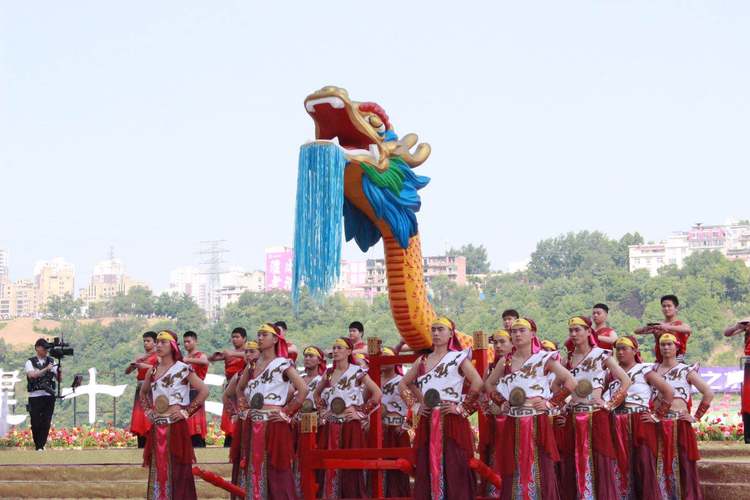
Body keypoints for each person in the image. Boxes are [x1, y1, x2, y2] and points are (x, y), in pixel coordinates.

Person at [486, 319, 576, 499]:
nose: (517, 334)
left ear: (533, 334)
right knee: (514, 467)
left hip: (537, 420)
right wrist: (501, 402)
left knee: (540, 466)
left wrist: (550, 403)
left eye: (522, 330)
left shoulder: (544, 358)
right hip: (513, 420)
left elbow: (571, 382)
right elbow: (489, 383)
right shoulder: (506, 360)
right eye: (514, 331)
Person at [398, 316, 483, 500]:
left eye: (440, 329)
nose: (436, 333)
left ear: (450, 333)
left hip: (451, 417)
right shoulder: (422, 361)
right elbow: (403, 384)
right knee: (426, 463)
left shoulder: (458, 357)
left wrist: (462, 408)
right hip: (428, 418)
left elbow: (477, 382)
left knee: (455, 464)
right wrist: (416, 406)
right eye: (433, 329)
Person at [556, 316, 631, 500]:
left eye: (578, 330)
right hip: (574, 417)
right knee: (575, 461)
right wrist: (564, 404)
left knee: (600, 461)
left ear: (589, 331)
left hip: (597, 416)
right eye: (571, 331)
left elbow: (625, 380)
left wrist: (610, 404)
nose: (574, 334)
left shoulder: (602, 354)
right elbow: (555, 387)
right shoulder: (568, 359)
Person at [236, 323, 308, 500]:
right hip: (254, 424)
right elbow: (239, 390)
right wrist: (244, 409)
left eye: (264, 335)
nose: (259, 338)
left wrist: (286, 413)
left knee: (278, 470)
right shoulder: (252, 365)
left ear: (275, 339)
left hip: (275, 423)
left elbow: (303, 390)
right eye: (258, 334)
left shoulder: (282, 364)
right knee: (254, 468)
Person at [139, 330, 208, 500]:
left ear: (172, 345)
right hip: (157, 425)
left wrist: (186, 411)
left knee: (178, 468)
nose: (159, 345)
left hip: (176, 425)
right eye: (158, 342)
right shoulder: (152, 371)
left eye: (163, 342)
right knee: (158, 469)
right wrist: (148, 411)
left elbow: (204, 391)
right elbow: (143, 393)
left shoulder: (183, 368)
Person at [313, 337, 382, 499]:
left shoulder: (357, 371)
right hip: (331, 424)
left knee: (351, 466)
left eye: (339, 348)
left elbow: (377, 393)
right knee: (328, 465)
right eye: (334, 348)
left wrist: (361, 413)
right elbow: (316, 393)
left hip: (351, 425)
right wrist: (323, 410)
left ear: (349, 351)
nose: (335, 351)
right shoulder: (329, 373)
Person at [605, 336, 673, 499]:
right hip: (616, 421)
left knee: (643, 464)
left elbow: (668, 392)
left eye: (624, 348)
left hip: (639, 421)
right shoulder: (611, 374)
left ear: (634, 351)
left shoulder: (644, 370)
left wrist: (657, 415)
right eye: (618, 349)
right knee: (620, 465)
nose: (620, 352)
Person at [653, 333, 713, 499]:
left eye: (669, 344)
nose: (665, 347)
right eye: (662, 344)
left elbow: (708, 392)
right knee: (657, 464)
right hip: (656, 423)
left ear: (677, 347)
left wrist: (696, 417)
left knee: (682, 465)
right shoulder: (652, 369)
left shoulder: (685, 370)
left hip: (678, 423)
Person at [478, 329, 513, 498]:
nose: (498, 346)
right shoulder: (491, 367)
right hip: (496, 419)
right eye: (495, 343)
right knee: (494, 454)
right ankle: (495, 491)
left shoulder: (518, 363)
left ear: (512, 343)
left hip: (515, 418)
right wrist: (490, 407)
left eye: (502, 342)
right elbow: (483, 390)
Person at [226, 339, 260, 499]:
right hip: (245, 422)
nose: (248, 355)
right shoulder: (239, 375)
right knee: (243, 457)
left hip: (264, 422)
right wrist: (235, 412)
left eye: (252, 351)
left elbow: (290, 391)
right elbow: (226, 395)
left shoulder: (268, 372)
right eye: (246, 352)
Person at [380, 346, 411, 498]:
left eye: (387, 357)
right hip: (378, 429)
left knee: (398, 467)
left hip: (397, 429)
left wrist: (406, 425)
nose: (384, 360)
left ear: (395, 361)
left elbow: (414, 405)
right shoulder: (373, 379)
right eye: (382, 357)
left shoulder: (401, 382)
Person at [209, 327, 248, 448]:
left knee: (242, 419)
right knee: (229, 420)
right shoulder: (228, 353)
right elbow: (210, 359)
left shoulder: (248, 352)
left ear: (244, 338)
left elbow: (252, 354)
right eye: (233, 337)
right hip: (230, 391)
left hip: (243, 391)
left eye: (237, 337)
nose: (234, 339)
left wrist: (231, 353)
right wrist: (214, 356)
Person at [125, 331, 160, 448]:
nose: (145, 343)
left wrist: (144, 366)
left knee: (150, 418)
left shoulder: (158, 357)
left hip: (152, 389)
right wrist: (133, 365)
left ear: (155, 343)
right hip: (140, 389)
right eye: (144, 341)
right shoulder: (140, 357)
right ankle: (141, 445)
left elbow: (161, 370)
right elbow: (127, 372)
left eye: (148, 341)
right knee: (140, 418)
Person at [635, 294, 692, 362]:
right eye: (664, 306)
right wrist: (650, 327)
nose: (666, 308)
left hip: (678, 362)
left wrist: (667, 327)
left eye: (669, 306)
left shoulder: (680, 325)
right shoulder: (659, 326)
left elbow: (688, 329)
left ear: (676, 308)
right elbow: (636, 331)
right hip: (660, 362)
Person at [25, 338, 59, 451]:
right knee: (35, 421)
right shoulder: (30, 362)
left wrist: (59, 371)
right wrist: (46, 369)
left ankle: (41, 445)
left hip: (48, 395)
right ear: (37, 348)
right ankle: (38, 444)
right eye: (44, 348)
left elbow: (59, 379)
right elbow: (32, 375)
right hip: (35, 396)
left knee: (46, 421)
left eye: (47, 349)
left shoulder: (51, 361)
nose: (46, 351)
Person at [724, 319, 750, 443]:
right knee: (747, 400)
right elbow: (727, 333)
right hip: (749, 363)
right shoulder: (747, 324)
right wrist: (737, 326)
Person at [183, 331, 209, 447]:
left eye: (188, 341)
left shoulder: (200, 355)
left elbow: (205, 361)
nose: (186, 344)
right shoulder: (184, 358)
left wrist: (187, 360)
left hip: (197, 393)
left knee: (196, 424)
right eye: (184, 342)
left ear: (195, 341)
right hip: (184, 393)